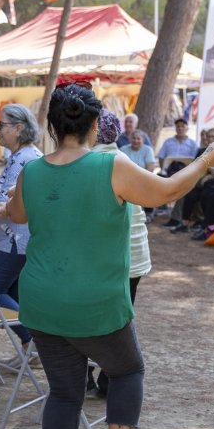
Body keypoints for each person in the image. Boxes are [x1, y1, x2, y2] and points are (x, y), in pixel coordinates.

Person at [6, 83, 214, 429]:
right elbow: (165, 191)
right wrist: (206, 161)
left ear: (52, 125)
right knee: (127, 370)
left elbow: (17, 213)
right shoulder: (111, 164)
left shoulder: (31, 170)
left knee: (65, 391)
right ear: (95, 124)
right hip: (94, 301)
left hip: (41, 301)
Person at [89, 107, 151, 395]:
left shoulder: (94, 163)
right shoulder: (121, 158)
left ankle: (92, 375)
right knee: (121, 318)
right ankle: (107, 379)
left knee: (92, 319)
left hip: (111, 258)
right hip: (134, 257)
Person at [0, 104, 43, 358]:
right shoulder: (18, 157)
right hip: (13, 239)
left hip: (17, 241)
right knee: (15, 296)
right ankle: (31, 349)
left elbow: (11, 204)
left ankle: (34, 342)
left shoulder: (27, 159)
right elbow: (3, 195)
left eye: (2, 125)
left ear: (19, 128)